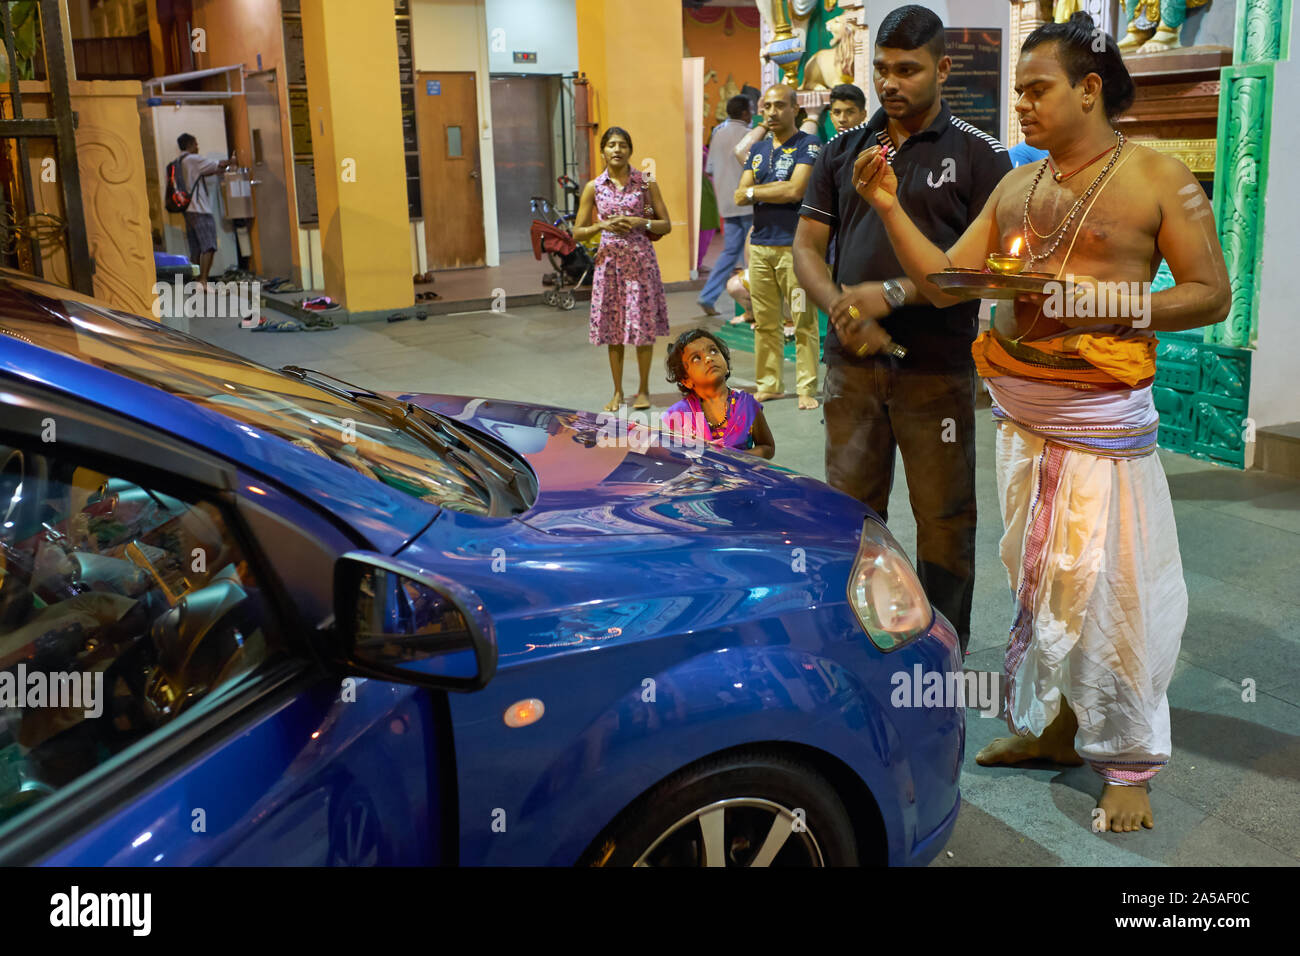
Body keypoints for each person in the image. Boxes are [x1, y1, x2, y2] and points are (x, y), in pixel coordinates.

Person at [851, 11, 1230, 832]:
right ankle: (1060, 729)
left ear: (1089, 89)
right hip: (1020, 416)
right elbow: (952, 282)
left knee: (1111, 588)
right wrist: (885, 205)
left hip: (1100, 422)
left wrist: (1112, 301)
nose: (1020, 105)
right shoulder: (1020, 185)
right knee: (1042, 579)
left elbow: (1212, 293)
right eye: (1018, 91)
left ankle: (1128, 759)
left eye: (1036, 89)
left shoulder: (1158, 176)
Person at [793, 4, 1012, 656]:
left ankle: (944, 651)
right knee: (850, 513)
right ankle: (855, 644)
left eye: (908, 70)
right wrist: (840, 306)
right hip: (852, 366)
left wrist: (889, 294)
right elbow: (808, 247)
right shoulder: (843, 150)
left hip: (935, 369)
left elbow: (985, 273)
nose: (891, 83)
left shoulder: (979, 157)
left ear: (942, 69)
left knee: (944, 520)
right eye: (883, 69)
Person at [573, 126, 672, 413]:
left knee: (642, 328)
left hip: (640, 261)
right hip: (609, 264)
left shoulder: (645, 182)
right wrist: (601, 225)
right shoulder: (594, 186)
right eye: (611, 145)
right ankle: (617, 391)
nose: (617, 150)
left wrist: (641, 222)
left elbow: (666, 224)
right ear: (602, 151)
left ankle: (644, 390)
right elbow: (577, 232)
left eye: (622, 145)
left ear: (630, 150)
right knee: (612, 329)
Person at [736, 83, 822, 410]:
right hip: (760, 248)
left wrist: (757, 192)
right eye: (767, 106)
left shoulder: (809, 145)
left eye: (779, 105)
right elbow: (737, 194)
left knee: (802, 320)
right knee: (765, 322)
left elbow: (795, 190)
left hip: (794, 248)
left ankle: (806, 388)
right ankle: (769, 384)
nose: (772, 111)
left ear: (795, 109)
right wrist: (769, 190)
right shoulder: (758, 150)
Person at [663, 329, 775, 458]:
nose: (709, 358)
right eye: (696, 358)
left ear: (726, 364)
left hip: (740, 475)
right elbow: (669, 457)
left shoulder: (746, 405)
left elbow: (767, 448)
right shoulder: (678, 414)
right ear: (686, 380)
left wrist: (735, 458)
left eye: (713, 351)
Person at [698, 96, 756, 318]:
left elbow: (710, 169)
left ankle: (708, 295)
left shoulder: (717, 134)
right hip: (749, 203)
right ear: (744, 113)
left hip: (726, 203)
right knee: (751, 254)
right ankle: (752, 303)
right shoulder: (749, 135)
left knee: (730, 252)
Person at [177, 133, 233, 287]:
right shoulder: (194, 160)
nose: (197, 147)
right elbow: (219, 165)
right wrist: (233, 161)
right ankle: (203, 281)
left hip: (188, 210)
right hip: (200, 209)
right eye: (196, 144)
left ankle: (195, 281)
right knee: (209, 246)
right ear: (189, 144)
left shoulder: (179, 161)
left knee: (195, 248)